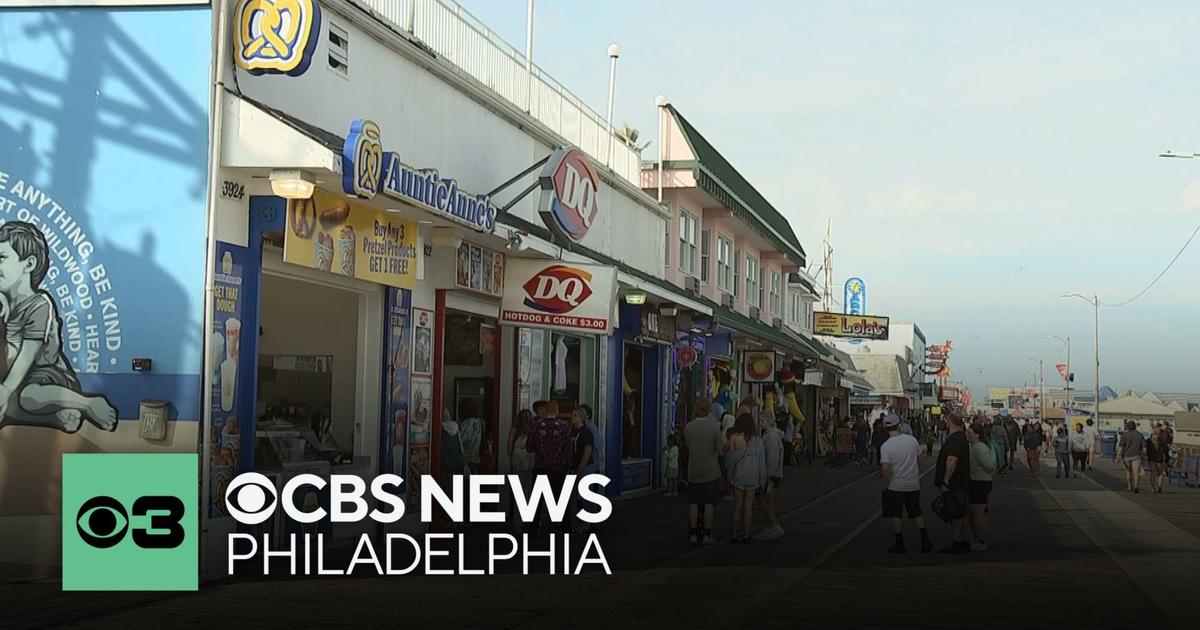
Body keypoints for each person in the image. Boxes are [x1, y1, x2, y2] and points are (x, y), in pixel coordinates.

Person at [0, 222, 118, 432]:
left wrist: (6, 389)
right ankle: (57, 417)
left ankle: (87, 403)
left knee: (27, 396)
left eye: (1, 258)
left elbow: (27, 356)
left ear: (28, 264)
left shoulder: (39, 304)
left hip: (46, 376)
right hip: (14, 381)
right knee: (10, 405)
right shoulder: (4, 303)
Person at [879, 413, 932, 553]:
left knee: (896, 514)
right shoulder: (912, 440)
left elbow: (885, 467)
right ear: (899, 426)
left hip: (895, 486)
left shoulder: (886, 446)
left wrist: (885, 484)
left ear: (886, 428)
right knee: (915, 512)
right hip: (913, 484)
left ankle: (900, 543)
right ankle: (925, 540)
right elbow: (919, 457)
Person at [526, 400, 571, 533]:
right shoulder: (564, 428)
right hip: (558, 468)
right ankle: (564, 527)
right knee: (561, 499)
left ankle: (533, 529)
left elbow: (529, 447)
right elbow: (568, 450)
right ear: (557, 411)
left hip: (540, 467)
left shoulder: (535, 426)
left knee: (536, 501)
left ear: (545, 410)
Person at [684, 398, 723, 544]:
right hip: (710, 471)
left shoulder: (688, 427)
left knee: (693, 502)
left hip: (693, 470)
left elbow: (688, 445)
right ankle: (707, 534)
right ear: (709, 410)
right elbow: (719, 450)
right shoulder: (713, 428)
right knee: (709, 503)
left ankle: (693, 534)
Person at [727, 413, 765, 544]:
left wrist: (729, 478)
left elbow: (731, 461)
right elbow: (762, 463)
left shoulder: (734, 438)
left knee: (737, 506)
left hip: (739, 476)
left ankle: (734, 534)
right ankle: (747, 535)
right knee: (748, 507)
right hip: (753, 477)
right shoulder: (758, 441)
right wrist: (762, 480)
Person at [936, 414, 972, 553]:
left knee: (955, 513)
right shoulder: (961, 437)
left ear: (950, 422)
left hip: (955, 483)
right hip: (960, 481)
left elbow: (952, 460)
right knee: (961, 513)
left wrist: (945, 480)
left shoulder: (955, 438)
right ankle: (962, 541)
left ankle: (957, 542)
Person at [754, 409, 785, 541]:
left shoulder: (770, 437)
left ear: (769, 421)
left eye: (762, 421)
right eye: (759, 421)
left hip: (770, 475)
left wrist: (767, 477)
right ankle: (771, 526)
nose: (760, 423)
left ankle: (774, 525)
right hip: (774, 474)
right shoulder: (772, 435)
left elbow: (772, 458)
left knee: (762, 500)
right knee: (769, 500)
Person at [967, 424, 996, 551]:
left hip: (980, 482)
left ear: (977, 434)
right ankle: (978, 539)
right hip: (977, 481)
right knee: (974, 512)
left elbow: (989, 465)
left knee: (978, 512)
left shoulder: (978, 447)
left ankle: (981, 541)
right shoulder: (974, 447)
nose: (967, 435)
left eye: (969, 433)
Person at [568, 407, 595, 533]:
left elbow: (587, 452)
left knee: (585, 496)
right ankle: (572, 523)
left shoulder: (586, 432)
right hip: (573, 467)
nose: (572, 417)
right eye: (572, 415)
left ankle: (591, 523)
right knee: (571, 496)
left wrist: (580, 468)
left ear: (582, 418)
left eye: (575, 415)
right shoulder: (571, 431)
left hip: (585, 467)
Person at [508, 409, 536, 528]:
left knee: (518, 495)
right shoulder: (534, 431)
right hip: (531, 466)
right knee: (529, 494)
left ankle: (518, 524)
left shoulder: (515, 431)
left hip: (518, 466)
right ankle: (528, 523)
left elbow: (509, 450)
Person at [1117, 420, 1147, 493]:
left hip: (1126, 456)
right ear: (1135, 427)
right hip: (1137, 455)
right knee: (1136, 472)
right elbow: (1144, 447)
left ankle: (1129, 485)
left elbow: (1121, 447)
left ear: (1127, 427)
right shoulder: (1140, 435)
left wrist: (1118, 456)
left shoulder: (1124, 435)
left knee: (1128, 471)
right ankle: (1136, 486)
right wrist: (1144, 455)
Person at [1146, 425, 1167, 494]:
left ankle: (1153, 488)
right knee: (1161, 473)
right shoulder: (1162, 441)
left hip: (1151, 457)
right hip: (1159, 458)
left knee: (1153, 472)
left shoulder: (1148, 441)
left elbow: (1146, 450)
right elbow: (1165, 450)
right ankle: (1159, 486)